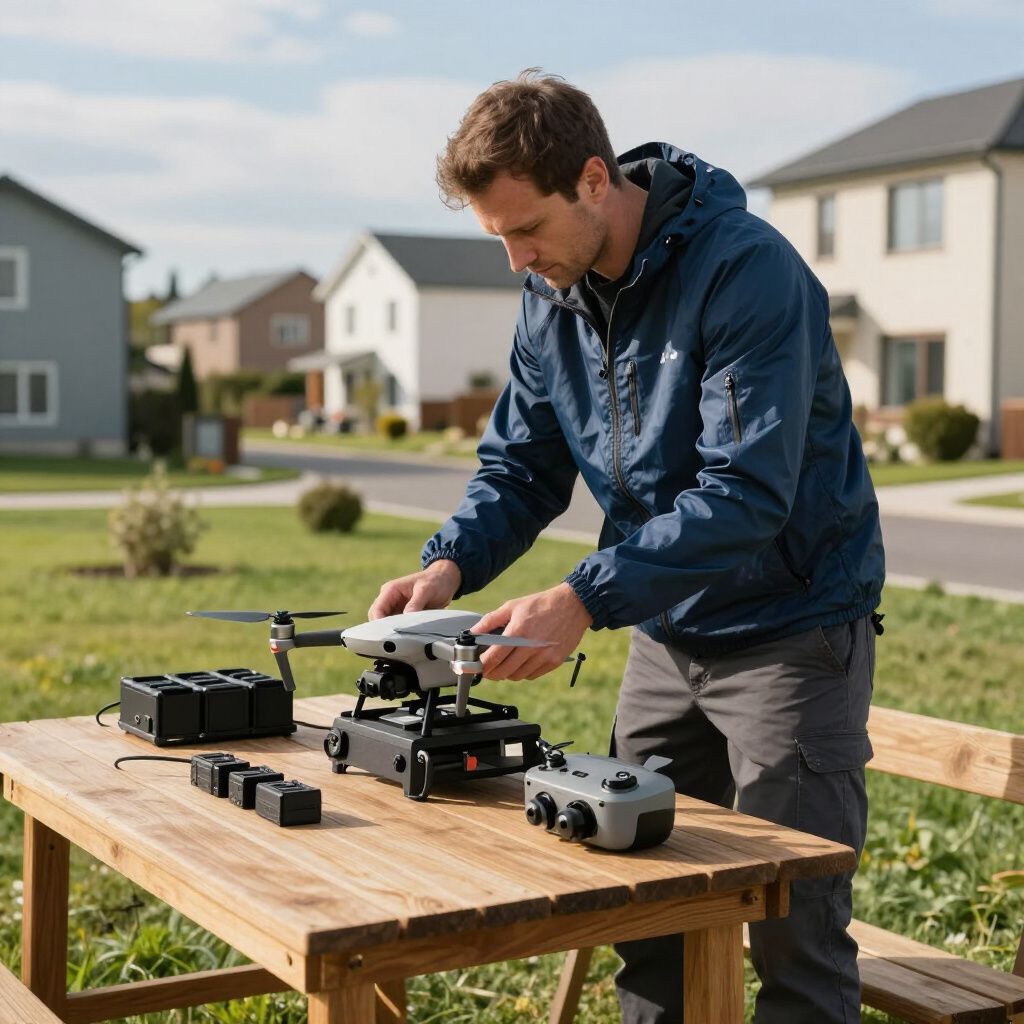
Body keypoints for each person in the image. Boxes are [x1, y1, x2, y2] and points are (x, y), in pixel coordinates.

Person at [370, 69, 884, 1024]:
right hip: (662, 633)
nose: (517, 261)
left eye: (526, 232)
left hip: (790, 634)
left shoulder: (746, 273)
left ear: (596, 180)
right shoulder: (551, 297)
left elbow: (746, 491)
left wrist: (582, 599)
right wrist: (449, 560)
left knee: (793, 931)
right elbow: (520, 469)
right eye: (499, 239)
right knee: (642, 911)